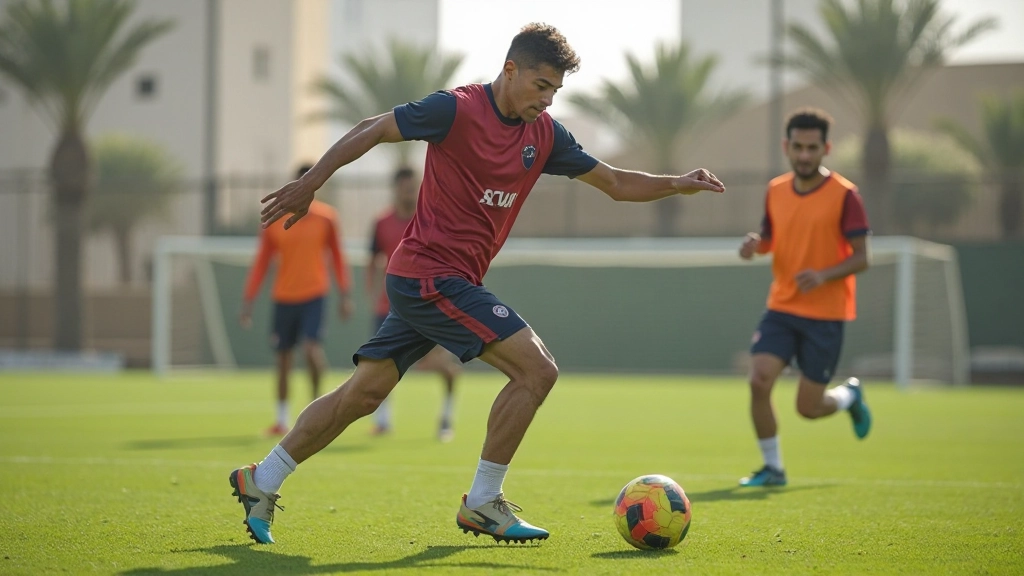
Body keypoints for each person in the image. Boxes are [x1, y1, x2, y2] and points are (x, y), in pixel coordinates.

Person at [229, 23, 724, 545]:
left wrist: (677, 183)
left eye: (556, 90)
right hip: (429, 275)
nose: (547, 99)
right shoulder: (456, 109)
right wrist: (310, 184)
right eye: (540, 86)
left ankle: (261, 480)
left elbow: (617, 183)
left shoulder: (546, 134)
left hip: (438, 281)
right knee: (537, 371)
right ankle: (484, 501)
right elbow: (374, 126)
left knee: (364, 394)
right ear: (510, 70)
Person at [736, 108, 873, 488]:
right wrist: (755, 245)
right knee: (759, 380)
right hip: (781, 307)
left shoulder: (846, 196)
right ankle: (773, 469)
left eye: (812, 148)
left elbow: (863, 258)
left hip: (826, 314)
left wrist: (824, 274)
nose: (805, 155)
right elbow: (771, 240)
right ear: (787, 146)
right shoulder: (776, 189)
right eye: (798, 147)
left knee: (808, 408)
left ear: (826, 148)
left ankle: (848, 397)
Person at [240, 164, 354, 436]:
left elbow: (337, 257)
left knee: (312, 350)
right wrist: (248, 300)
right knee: (283, 358)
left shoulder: (327, 218)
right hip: (283, 297)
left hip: (314, 294)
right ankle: (281, 419)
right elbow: (262, 262)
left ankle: (316, 410)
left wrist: (345, 294)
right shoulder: (276, 219)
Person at [367, 167, 461, 442]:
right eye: (405, 187)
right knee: (379, 367)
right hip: (388, 308)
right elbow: (373, 260)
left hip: (427, 306)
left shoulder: (430, 219)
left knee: (441, 365)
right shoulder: (381, 222)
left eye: (413, 187)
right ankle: (383, 420)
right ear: (395, 189)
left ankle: (446, 418)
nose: (410, 192)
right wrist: (372, 293)